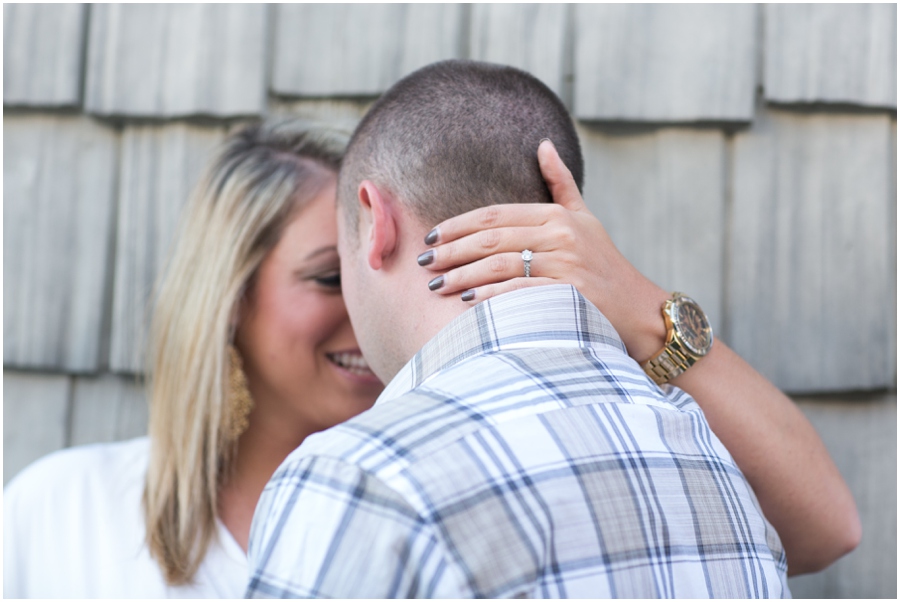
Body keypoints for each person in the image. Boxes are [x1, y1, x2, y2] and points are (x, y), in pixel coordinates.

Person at [5, 86, 857, 598]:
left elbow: (827, 527)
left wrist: (638, 303)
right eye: (326, 278)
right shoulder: (58, 512)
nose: (371, 304)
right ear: (225, 297)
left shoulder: (489, 466)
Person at [244, 60, 853, 598]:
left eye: (335, 269)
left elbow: (833, 526)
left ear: (375, 221)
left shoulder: (360, 478)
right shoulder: (718, 462)